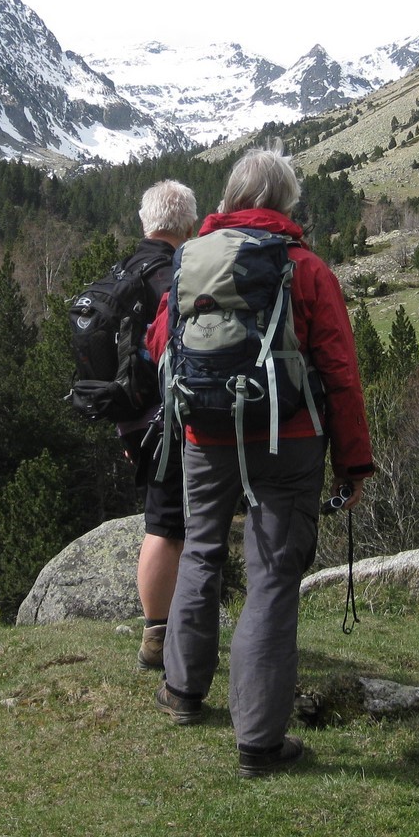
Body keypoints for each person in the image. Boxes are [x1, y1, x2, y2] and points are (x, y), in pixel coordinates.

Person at [146, 145, 374, 778]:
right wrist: (353, 463)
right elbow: (340, 371)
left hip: (204, 432)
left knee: (199, 549)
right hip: (287, 435)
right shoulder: (304, 268)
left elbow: (160, 342)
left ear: (230, 197)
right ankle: (258, 741)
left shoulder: (191, 258)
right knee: (272, 575)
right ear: (284, 202)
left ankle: (183, 692)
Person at [121, 180, 198, 671]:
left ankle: (161, 627)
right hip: (169, 422)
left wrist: (126, 427)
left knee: (163, 521)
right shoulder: (173, 273)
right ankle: (158, 636)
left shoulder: (121, 271)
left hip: (132, 419)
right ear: (188, 224)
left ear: (146, 221)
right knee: (168, 527)